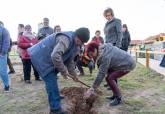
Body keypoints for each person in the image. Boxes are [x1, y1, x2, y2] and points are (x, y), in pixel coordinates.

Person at [28, 27, 90, 114]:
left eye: (82, 43)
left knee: (52, 80)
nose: (80, 44)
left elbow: (70, 61)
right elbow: (55, 56)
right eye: (80, 41)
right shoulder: (65, 39)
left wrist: (74, 76)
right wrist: (64, 71)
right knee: (51, 79)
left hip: (49, 59)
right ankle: (55, 110)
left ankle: (54, 95)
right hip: (41, 57)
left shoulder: (76, 45)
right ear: (76, 35)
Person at [0, 21, 11, 92]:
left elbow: (6, 42)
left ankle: (7, 85)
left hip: (1, 54)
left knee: (2, 71)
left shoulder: (4, 30)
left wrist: (3, 53)